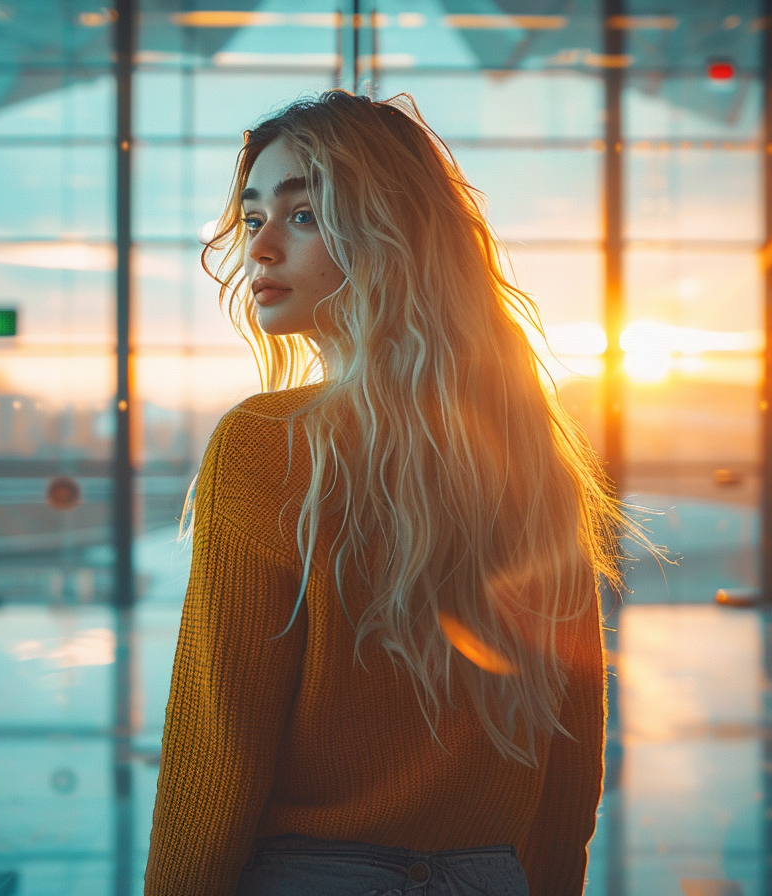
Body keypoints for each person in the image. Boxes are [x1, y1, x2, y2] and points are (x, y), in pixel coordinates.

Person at [144, 90, 626, 896]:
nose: (259, 247)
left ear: (388, 235)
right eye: (254, 215)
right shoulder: (529, 453)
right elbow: (570, 754)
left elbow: (219, 742)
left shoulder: (266, 443)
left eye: (303, 216)